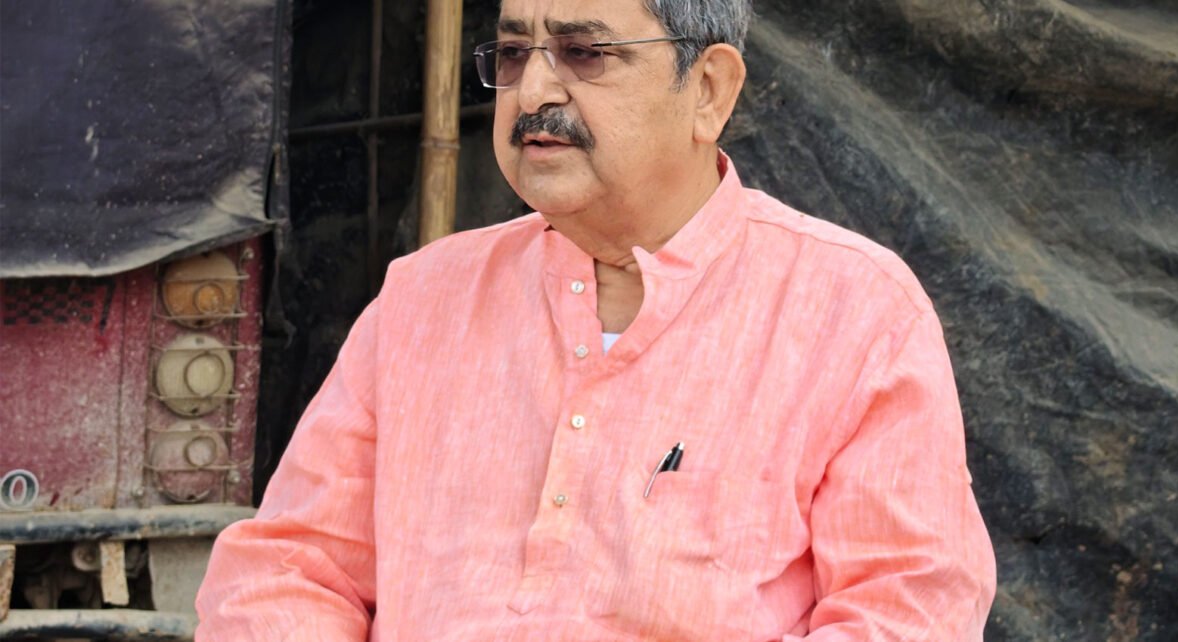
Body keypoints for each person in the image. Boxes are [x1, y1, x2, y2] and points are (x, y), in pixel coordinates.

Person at [194, 0, 997, 639]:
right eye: (515, 54)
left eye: (584, 53)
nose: (533, 93)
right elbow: (288, 574)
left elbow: (908, 612)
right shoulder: (423, 300)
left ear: (709, 89)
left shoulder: (854, 313)